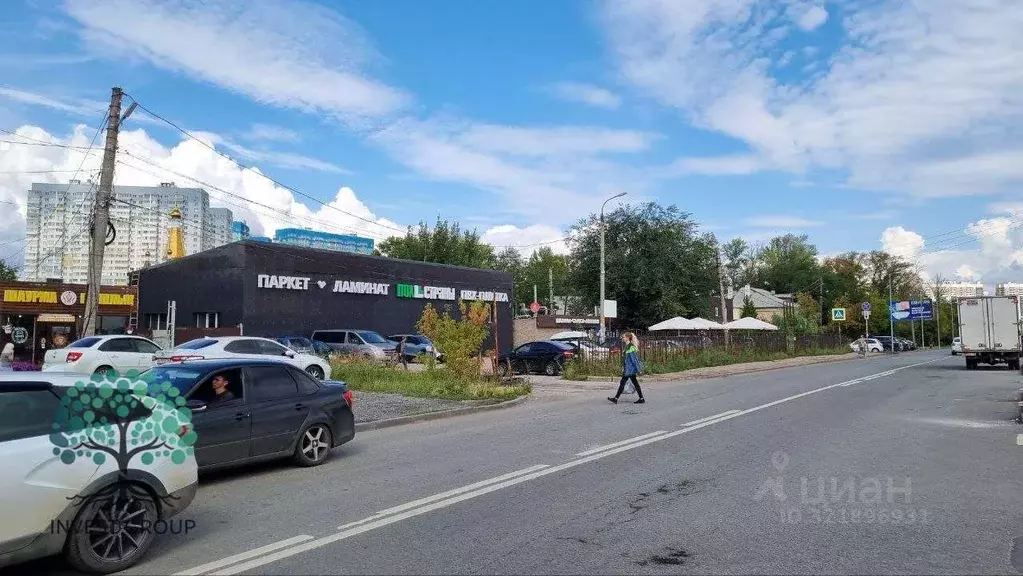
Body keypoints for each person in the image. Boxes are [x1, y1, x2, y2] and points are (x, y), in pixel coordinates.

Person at [608, 332, 645, 404]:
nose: (622, 338)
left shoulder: (631, 347)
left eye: (623, 337)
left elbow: (634, 360)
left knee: (623, 382)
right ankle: (641, 398)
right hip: (628, 368)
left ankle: (615, 399)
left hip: (629, 369)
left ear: (627, 338)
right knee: (635, 383)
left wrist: (639, 369)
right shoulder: (627, 346)